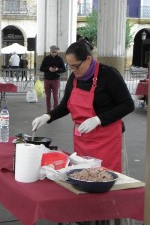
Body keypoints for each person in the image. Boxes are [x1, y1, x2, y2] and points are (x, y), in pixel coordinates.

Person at [32, 41, 134, 173]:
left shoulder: (109, 75)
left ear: (88, 59)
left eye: (75, 66)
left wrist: (98, 120)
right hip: (83, 139)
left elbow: (127, 105)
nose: (73, 70)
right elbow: (65, 106)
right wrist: (47, 116)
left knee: (108, 176)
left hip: (108, 139)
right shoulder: (74, 78)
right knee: (84, 175)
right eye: (70, 67)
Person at [40, 45, 66, 112]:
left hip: (56, 79)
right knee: (47, 97)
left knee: (55, 97)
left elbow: (64, 69)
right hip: (47, 80)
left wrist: (57, 69)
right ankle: (48, 110)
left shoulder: (60, 59)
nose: (54, 53)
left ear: (57, 52)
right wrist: (48, 69)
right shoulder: (46, 58)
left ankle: (55, 111)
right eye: (53, 52)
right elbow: (41, 68)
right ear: (50, 51)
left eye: (55, 52)